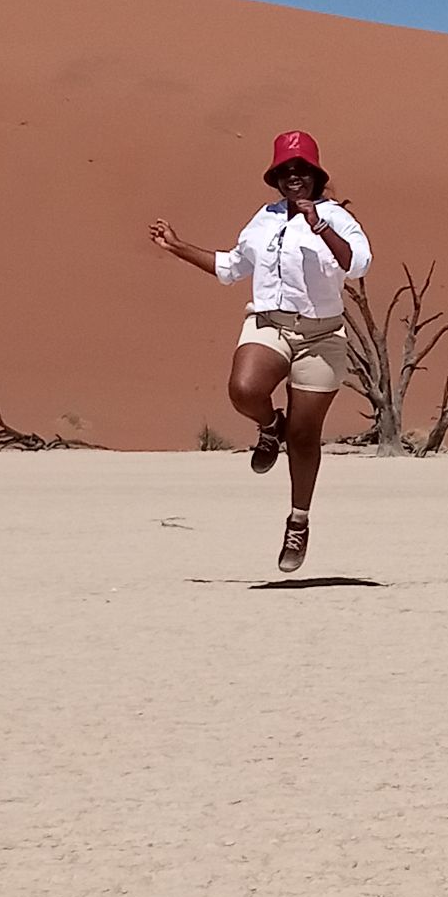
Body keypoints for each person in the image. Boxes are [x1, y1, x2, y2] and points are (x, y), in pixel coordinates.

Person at [149, 131, 371, 572]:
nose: (294, 178)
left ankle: (298, 521)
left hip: (321, 337)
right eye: (286, 171)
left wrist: (320, 226)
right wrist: (178, 247)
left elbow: (358, 264)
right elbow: (232, 266)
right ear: (276, 178)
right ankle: (270, 426)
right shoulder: (264, 218)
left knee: (305, 437)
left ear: (315, 176)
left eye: (302, 170)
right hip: (269, 323)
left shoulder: (335, 218)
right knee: (244, 390)